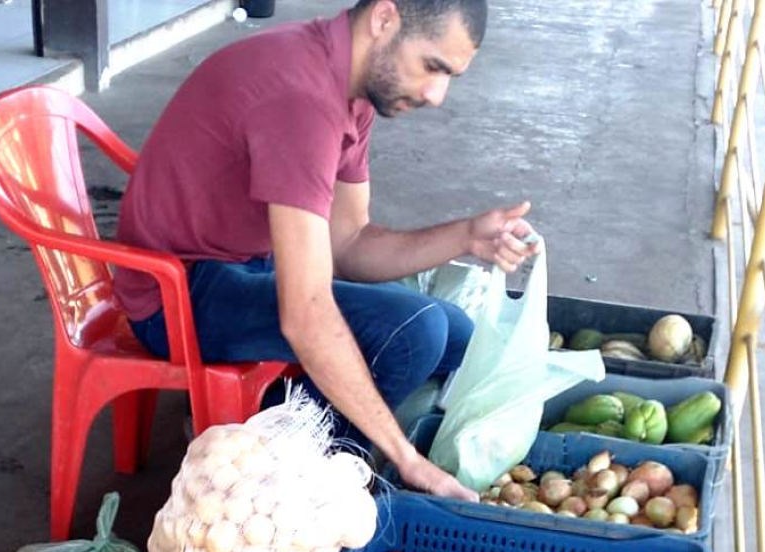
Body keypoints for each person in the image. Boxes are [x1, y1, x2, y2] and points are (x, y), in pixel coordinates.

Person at [115, 0, 540, 501]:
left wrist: (467, 236)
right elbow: (306, 315)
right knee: (414, 335)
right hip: (176, 290)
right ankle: (279, 487)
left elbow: (349, 245)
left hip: (243, 263)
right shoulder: (301, 97)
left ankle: (258, 418)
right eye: (432, 67)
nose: (436, 95)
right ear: (384, 19)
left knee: (456, 338)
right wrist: (408, 460)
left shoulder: (350, 86)